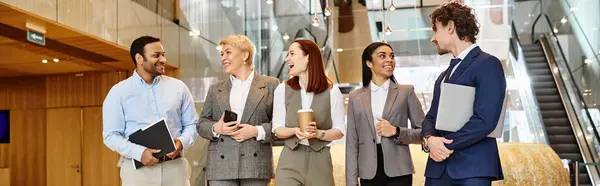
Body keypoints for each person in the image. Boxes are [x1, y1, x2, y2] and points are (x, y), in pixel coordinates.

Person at [420, 2, 506, 186]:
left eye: (436, 30)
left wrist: (442, 145)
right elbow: (431, 117)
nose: (432, 38)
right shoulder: (443, 75)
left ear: (450, 26)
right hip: (437, 170)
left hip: (471, 168)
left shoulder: (488, 64)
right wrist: (429, 140)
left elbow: (485, 120)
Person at [102, 36, 198, 186]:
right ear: (139, 58)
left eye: (163, 54)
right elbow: (110, 135)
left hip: (175, 169)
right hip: (138, 172)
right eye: (156, 55)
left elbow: (192, 124)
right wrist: (139, 153)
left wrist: (181, 142)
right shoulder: (118, 92)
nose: (163, 59)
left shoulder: (179, 88)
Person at [197, 35, 279, 186]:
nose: (223, 58)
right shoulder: (215, 89)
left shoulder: (271, 84)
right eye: (222, 54)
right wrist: (217, 128)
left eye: (228, 52)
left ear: (245, 55)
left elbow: (281, 125)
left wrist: (256, 131)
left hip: (256, 164)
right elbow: (202, 124)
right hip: (220, 166)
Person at [345, 42, 424, 186]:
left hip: (399, 170)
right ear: (369, 63)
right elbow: (351, 142)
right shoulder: (355, 97)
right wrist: (351, 181)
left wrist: (396, 131)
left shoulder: (406, 92)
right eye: (382, 56)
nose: (389, 60)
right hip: (368, 171)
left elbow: (423, 133)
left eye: (392, 56)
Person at [272, 40, 345, 186]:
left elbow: (339, 130)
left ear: (308, 57)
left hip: (320, 161)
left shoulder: (332, 91)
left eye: (292, 53)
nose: (287, 59)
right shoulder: (282, 89)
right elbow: (277, 128)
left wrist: (318, 134)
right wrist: (294, 130)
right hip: (290, 159)